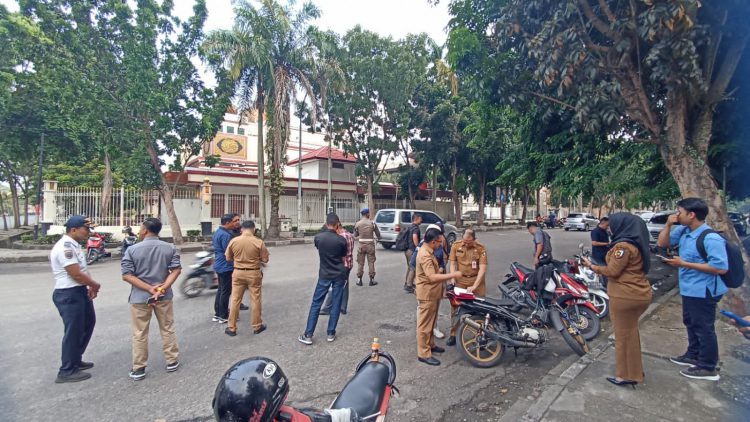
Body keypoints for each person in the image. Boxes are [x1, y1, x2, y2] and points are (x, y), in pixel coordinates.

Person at [657, 197, 728, 381]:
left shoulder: (710, 238)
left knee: (704, 327)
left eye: (679, 212)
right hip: (689, 288)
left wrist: (684, 263)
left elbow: (720, 267)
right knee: (690, 322)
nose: (676, 215)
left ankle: (707, 366)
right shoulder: (683, 231)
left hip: (703, 290)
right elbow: (662, 244)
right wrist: (667, 225)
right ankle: (693, 354)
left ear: (692, 214)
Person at [581, 213, 652, 388]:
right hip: (636, 293)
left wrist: (591, 266)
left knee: (623, 337)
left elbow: (612, 271)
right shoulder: (635, 244)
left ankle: (625, 375)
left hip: (625, 295)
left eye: (613, 224)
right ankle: (634, 372)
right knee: (630, 335)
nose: (610, 227)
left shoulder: (623, 246)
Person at [121, 217, 182, 381]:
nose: (139, 230)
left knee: (139, 332)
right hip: (163, 296)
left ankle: (139, 368)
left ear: (146, 230)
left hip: (140, 297)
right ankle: (172, 361)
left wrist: (148, 288)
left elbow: (127, 275)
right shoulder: (169, 248)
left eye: (141, 228)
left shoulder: (132, 250)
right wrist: (161, 288)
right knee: (167, 327)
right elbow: (176, 270)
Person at [50, 216, 100, 383]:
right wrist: (94, 284)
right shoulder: (65, 247)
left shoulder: (74, 245)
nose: (88, 233)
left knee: (88, 323)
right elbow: (75, 273)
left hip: (78, 291)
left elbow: (82, 270)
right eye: (85, 229)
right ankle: (66, 370)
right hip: (68, 293)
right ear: (73, 230)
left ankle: (75, 359)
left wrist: (89, 287)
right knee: (73, 331)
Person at [298, 213, 348, 345]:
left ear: (326, 224)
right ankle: (331, 333)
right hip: (339, 274)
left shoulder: (319, 237)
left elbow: (319, 248)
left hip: (324, 274)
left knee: (316, 303)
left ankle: (308, 334)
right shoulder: (341, 240)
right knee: (336, 303)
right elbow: (343, 257)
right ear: (337, 224)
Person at [415, 228, 462, 366]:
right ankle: (423, 353)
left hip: (433, 293)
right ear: (433, 241)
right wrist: (453, 275)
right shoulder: (424, 254)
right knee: (424, 325)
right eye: (440, 242)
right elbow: (432, 277)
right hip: (427, 294)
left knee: (431, 321)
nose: (441, 244)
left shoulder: (430, 251)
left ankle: (430, 344)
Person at [224, 220, 269, 337]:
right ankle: (257, 326)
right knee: (255, 299)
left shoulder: (234, 241)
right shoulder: (259, 242)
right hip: (253, 273)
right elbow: (265, 260)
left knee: (235, 300)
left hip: (238, 273)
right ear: (253, 229)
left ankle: (231, 328)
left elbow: (228, 258)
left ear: (242, 229)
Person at [446, 228, 488, 346]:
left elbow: (483, 268)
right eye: (464, 240)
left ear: (474, 239)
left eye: (468, 241)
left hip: (476, 280)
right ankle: (453, 333)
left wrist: (475, 285)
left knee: (480, 308)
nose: (465, 243)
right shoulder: (456, 245)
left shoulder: (480, 248)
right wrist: (453, 277)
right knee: (455, 308)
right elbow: (453, 263)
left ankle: (480, 335)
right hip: (460, 280)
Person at [321, 222, 355, 316]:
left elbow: (339, 253)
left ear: (337, 226)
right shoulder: (349, 235)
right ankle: (343, 307)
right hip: (349, 263)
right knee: (345, 284)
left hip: (341, 264)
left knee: (334, 285)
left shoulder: (341, 237)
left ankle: (327, 307)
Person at [212, 213, 241, 323]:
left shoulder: (218, 232)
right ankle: (223, 315)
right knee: (225, 291)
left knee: (221, 290)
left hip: (219, 264)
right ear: (227, 223)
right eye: (233, 221)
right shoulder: (225, 235)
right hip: (226, 266)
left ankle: (218, 313)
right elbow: (229, 251)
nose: (235, 224)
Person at [354, 208, 381, 286]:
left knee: (360, 263)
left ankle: (359, 280)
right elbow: (378, 234)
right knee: (371, 262)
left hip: (361, 245)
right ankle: (372, 280)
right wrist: (378, 238)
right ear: (367, 214)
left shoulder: (358, 223)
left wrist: (360, 236)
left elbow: (355, 235)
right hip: (370, 246)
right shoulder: (372, 223)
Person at [404, 213, 423, 293]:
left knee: (410, 267)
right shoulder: (415, 228)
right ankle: (409, 285)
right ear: (417, 218)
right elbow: (415, 237)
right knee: (413, 268)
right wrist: (418, 247)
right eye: (420, 219)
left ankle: (408, 283)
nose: (421, 220)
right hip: (412, 250)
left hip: (408, 250)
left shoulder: (410, 226)